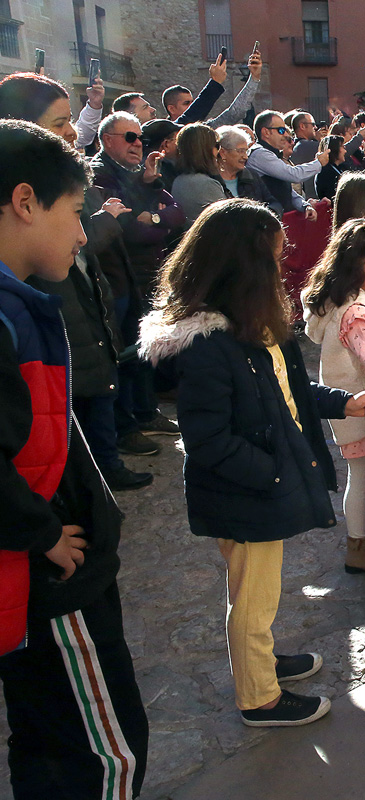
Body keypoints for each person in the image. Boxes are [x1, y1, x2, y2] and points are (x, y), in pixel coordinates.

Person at [140, 199, 365, 727]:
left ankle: (262, 662)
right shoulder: (208, 344)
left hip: (261, 483)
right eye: (273, 259)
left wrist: (342, 402)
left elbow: (290, 390)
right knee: (251, 598)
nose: (282, 269)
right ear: (243, 265)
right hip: (244, 491)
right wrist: (273, 474)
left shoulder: (251, 324)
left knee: (261, 591)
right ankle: (260, 698)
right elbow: (209, 441)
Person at [0, 119, 149, 799]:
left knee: (46, 743)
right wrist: (42, 534)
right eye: (76, 213)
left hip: (42, 576)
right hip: (48, 582)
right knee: (100, 754)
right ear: (26, 202)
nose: (84, 233)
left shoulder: (23, 303)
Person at [0, 73, 153, 491]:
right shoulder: (15, 312)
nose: (72, 132)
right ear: (24, 203)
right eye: (59, 123)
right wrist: (43, 530)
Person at [303, 220, 365, 575]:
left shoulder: (337, 300)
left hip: (355, 407)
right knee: (362, 479)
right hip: (359, 408)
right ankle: (357, 544)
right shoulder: (356, 311)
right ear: (355, 262)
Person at [90, 111, 185, 458]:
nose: (137, 144)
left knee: (141, 348)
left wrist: (150, 195)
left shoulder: (137, 174)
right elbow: (129, 228)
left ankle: (145, 413)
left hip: (138, 274)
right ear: (106, 140)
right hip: (115, 277)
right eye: (129, 137)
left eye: (139, 137)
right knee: (120, 353)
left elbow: (176, 215)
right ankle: (125, 426)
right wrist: (149, 206)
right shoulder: (99, 174)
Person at [246, 110, 329, 218]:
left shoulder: (269, 153)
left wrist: (304, 205)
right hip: (269, 221)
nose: (285, 134)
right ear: (266, 132)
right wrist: (319, 163)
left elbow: (286, 189)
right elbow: (294, 175)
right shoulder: (260, 154)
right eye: (281, 130)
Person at [165, 49, 264, 127]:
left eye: (192, 102)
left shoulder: (205, 130)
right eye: (186, 103)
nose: (192, 106)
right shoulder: (161, 133)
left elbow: (234, 113)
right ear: (172, 109)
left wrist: (254, 79)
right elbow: (189, 118)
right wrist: (215, 82)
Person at [170, 122, 230, 226]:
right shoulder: (206, 184)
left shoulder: (178, 180)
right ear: (205, 150)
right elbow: (228, 221)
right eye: (217, 145)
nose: (219, 151)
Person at [215, 125, 271, 203]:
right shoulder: (211, 182)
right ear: (223, 152)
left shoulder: (251, 176)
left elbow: (273, 202)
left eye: (246, 151)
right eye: (240, 151)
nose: (245, 157)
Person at [315, 134, 348, 201]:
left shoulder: (338, 168)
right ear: (334, 149)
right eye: (342, 147)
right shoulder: (325, 172)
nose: (345, 151)